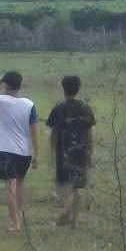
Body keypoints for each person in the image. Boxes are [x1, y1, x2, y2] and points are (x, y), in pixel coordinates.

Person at [0, 71, 39, 234]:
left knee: (10, 188)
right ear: (20, 85)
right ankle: (19, 216)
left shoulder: (0, 100)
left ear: (5, 85)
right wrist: (36, 154)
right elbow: (34, 131)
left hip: (7, 151)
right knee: (19, 186)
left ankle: (15, 223)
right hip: (25, 152)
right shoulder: (29, 104)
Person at [47, 75, 96, 226]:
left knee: (64, 187)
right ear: (78, 88)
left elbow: (54, 133)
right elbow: (89, 133)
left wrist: (52, 152)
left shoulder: (58, 108)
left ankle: (65, 214)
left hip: (64, 153)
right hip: (81, 151)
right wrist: (90, 152)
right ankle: (74, 220)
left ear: (63, 88)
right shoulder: (85, 108)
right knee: (78, 187)